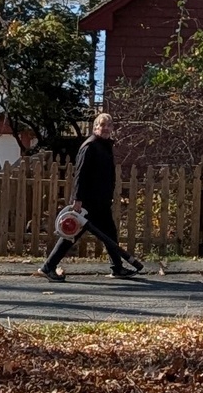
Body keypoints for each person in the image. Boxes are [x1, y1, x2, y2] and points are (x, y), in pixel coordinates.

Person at [40, 112, 140, 280]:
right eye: (102, 125)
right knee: (71, 235)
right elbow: (80, 174)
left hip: (101, 201)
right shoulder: (90, 146)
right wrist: (77, 199)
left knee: (109, 234)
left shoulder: (104, 146)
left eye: (109, 125)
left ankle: (117, 267)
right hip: (88, 202)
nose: (106, 128)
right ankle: (48, 267)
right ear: (95, 128)